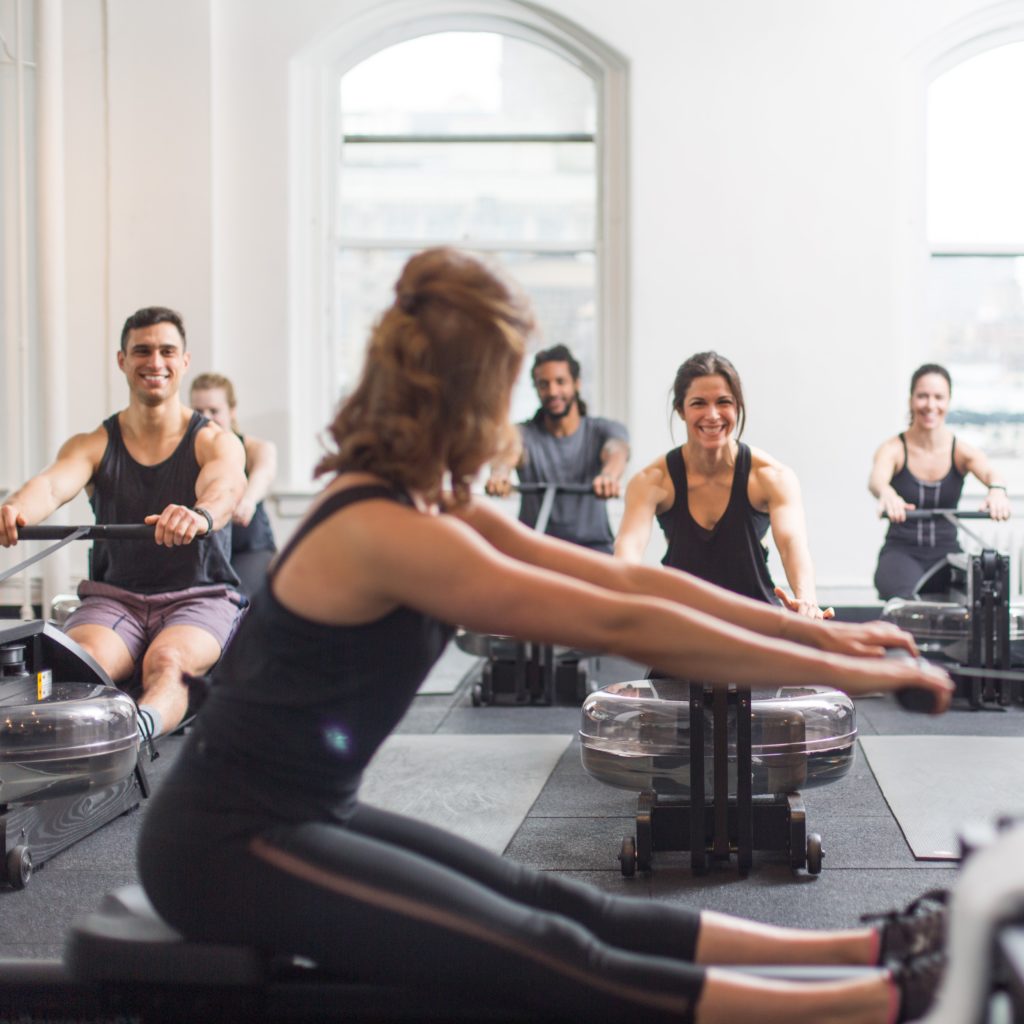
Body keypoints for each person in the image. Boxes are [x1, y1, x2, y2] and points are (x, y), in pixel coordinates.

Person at [137, 249, 952, 1024]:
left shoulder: (426, 501)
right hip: (226, 842)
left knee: (561, 901)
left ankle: (872, 946)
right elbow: (621, 621)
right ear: (467, 392)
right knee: (542, 947)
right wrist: (848, 672)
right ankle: (876, 1003)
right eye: (503, 385)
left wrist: (828, 637)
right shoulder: (386, 525)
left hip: (309, 808)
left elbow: (625, 580)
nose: (517, 412)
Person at [0, 306, 247, 741]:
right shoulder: (94, 443)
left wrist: (199, 514)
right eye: (142, 351)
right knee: (86, 660)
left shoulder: (213, 441)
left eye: (167, 351)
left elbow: (225, 489)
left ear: (184, 361)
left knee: (168, 662)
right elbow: (52, 487)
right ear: (122, 360)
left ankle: (136, 739)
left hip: (199, 595)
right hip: (117, 598)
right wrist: (15, 509)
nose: (155, 362)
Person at [615, 351, 832, 620]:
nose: (713, 415)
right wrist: (622, 593)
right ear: (681, 410)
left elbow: (792, 545)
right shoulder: (652, 481)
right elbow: (629, 547)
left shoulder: (771, 477)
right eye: (699, 404)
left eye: (723, 402)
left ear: (737, 406)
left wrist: (807, 600)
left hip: (755, 627)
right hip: (684, 628)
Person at [869, 363, 1011, 600]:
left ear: (948, 402)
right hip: (901, 552)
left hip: (946, 554)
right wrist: (887, 493)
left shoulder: (960, 450)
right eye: (923, 396)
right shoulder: (893, 448)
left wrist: (997, 490)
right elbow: (876, 480)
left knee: (981, 599)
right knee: (905, 604)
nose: (930, 405)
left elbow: (992, 473)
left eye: (938, 397)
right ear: (911, 400)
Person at [486, 344, 629, 553]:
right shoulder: (521, 433)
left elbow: (616, 450)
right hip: (536, 549)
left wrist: (609, 476)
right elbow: (507, 453)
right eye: (544, 384)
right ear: (536, 389)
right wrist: (499, 474)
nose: (552, 391)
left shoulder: (602, 430)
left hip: (593, 549)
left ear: (576, 384)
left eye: (560, 382)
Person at [190, 372, 278, 597]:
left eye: (214, 410)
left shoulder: (254, 448)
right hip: (205, 553)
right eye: (199, 411)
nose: (206, 418)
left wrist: (247, 500)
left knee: (235, 600)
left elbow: (264, 471)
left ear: (232, 410)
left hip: (249, 549)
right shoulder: (191, 450)